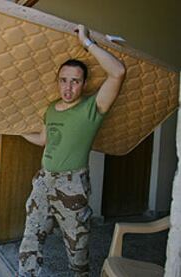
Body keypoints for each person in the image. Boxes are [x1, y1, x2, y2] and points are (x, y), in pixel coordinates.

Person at [18, 25, 126, 277]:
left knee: (77, 251)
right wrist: (16, 130)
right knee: (30, 242)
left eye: (75, 81)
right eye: (63, 81)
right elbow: (44, 140)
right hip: (43, 182)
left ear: (84, 83)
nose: (67, 88)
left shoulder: (93, 108)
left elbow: (118, 72)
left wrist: (87, 42)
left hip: (73, 186)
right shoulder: (51, 108)